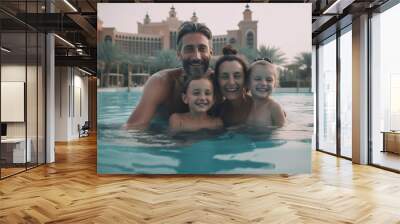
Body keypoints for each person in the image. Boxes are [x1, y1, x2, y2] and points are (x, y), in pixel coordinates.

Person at [124, 21, 213, 129]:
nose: (197, 57)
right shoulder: (161, 82)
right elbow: (133, 128)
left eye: (202, 49)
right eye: (189, 49)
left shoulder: (219, 83)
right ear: (179, 54)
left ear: (210, 54)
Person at [214, 45, 252, 127]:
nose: (231, 82)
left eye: (237, 76)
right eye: (225, 76)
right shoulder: (218, 112)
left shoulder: (262, 107)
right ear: (217, 80)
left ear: (245, 79)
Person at [246, 58, 286, 127]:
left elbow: (282, 131)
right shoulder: (244, 104)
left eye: (269, 80)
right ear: (248, 83)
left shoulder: (274, 108)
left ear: (275, 84)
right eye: (258, 79)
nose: (264, 83)